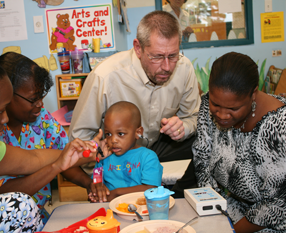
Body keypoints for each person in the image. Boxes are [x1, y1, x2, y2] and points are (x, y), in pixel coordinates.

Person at [0, 52, 102, 232]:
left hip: (28, 215)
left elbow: (34, 158)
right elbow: (7, 197)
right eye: (0, 110)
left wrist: (78, 164)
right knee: (21, 205)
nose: (4, 119)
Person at [68, 10, 201, 200]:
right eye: (157, 56)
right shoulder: (104, 77)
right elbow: (78, 138)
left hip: (160, 145)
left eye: (173, 56)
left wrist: (183, 127)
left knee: (205, 144)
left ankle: (178, 201)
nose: (167, 67)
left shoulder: (184, 67)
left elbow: (194, 117)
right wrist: (100, 152)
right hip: (116, 151)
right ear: (138, 48)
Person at [193, 52, 286, 233]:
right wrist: (212, 211)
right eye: (216, 105)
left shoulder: (282, 126)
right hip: (233, 209)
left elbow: (278, 204)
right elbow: (202, 156)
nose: (222, 115)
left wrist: (229, 231)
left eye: (233, 108)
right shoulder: (208, 102)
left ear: (253, 94)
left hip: (283, 221)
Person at [0, 52, 69, 224]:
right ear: (7, 94)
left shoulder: (40, 118)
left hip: (36, 217)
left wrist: (90, 180)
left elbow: (60, 153)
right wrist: (57, 165)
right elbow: (6, 200)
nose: (40, 104)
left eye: (41, 96)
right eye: (33, 99)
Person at [88, 101, 163, 201]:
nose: (113, 140)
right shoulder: (103, 156)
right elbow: (96, 179)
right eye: (108, 134)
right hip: (109, 207)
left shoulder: (148, 157)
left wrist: (116, 194)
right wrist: (97, 191)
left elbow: (151, 189)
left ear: (138, 133)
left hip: (139, 207)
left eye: (121, 134)